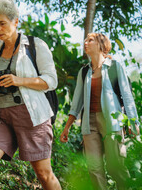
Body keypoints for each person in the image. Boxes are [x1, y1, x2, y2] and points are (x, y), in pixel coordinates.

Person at [0, 0, 61, 190]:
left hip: (32, 117)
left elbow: (51, 81)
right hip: (0, 117)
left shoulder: (35, 46)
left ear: (15, 21)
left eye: (2, 23)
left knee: (44, 174)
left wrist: (19, 80)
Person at [60, 33, 140, 190]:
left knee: (115, 167)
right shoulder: (84, 72)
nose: (86, 42)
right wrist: (67, 127)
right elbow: (76, 103)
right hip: (89, 124)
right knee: (94, 169)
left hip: (112, 121)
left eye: (90, 40)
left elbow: (127, 96)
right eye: (86, 39)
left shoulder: (115, 67)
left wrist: (133, 122)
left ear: (101, 45)